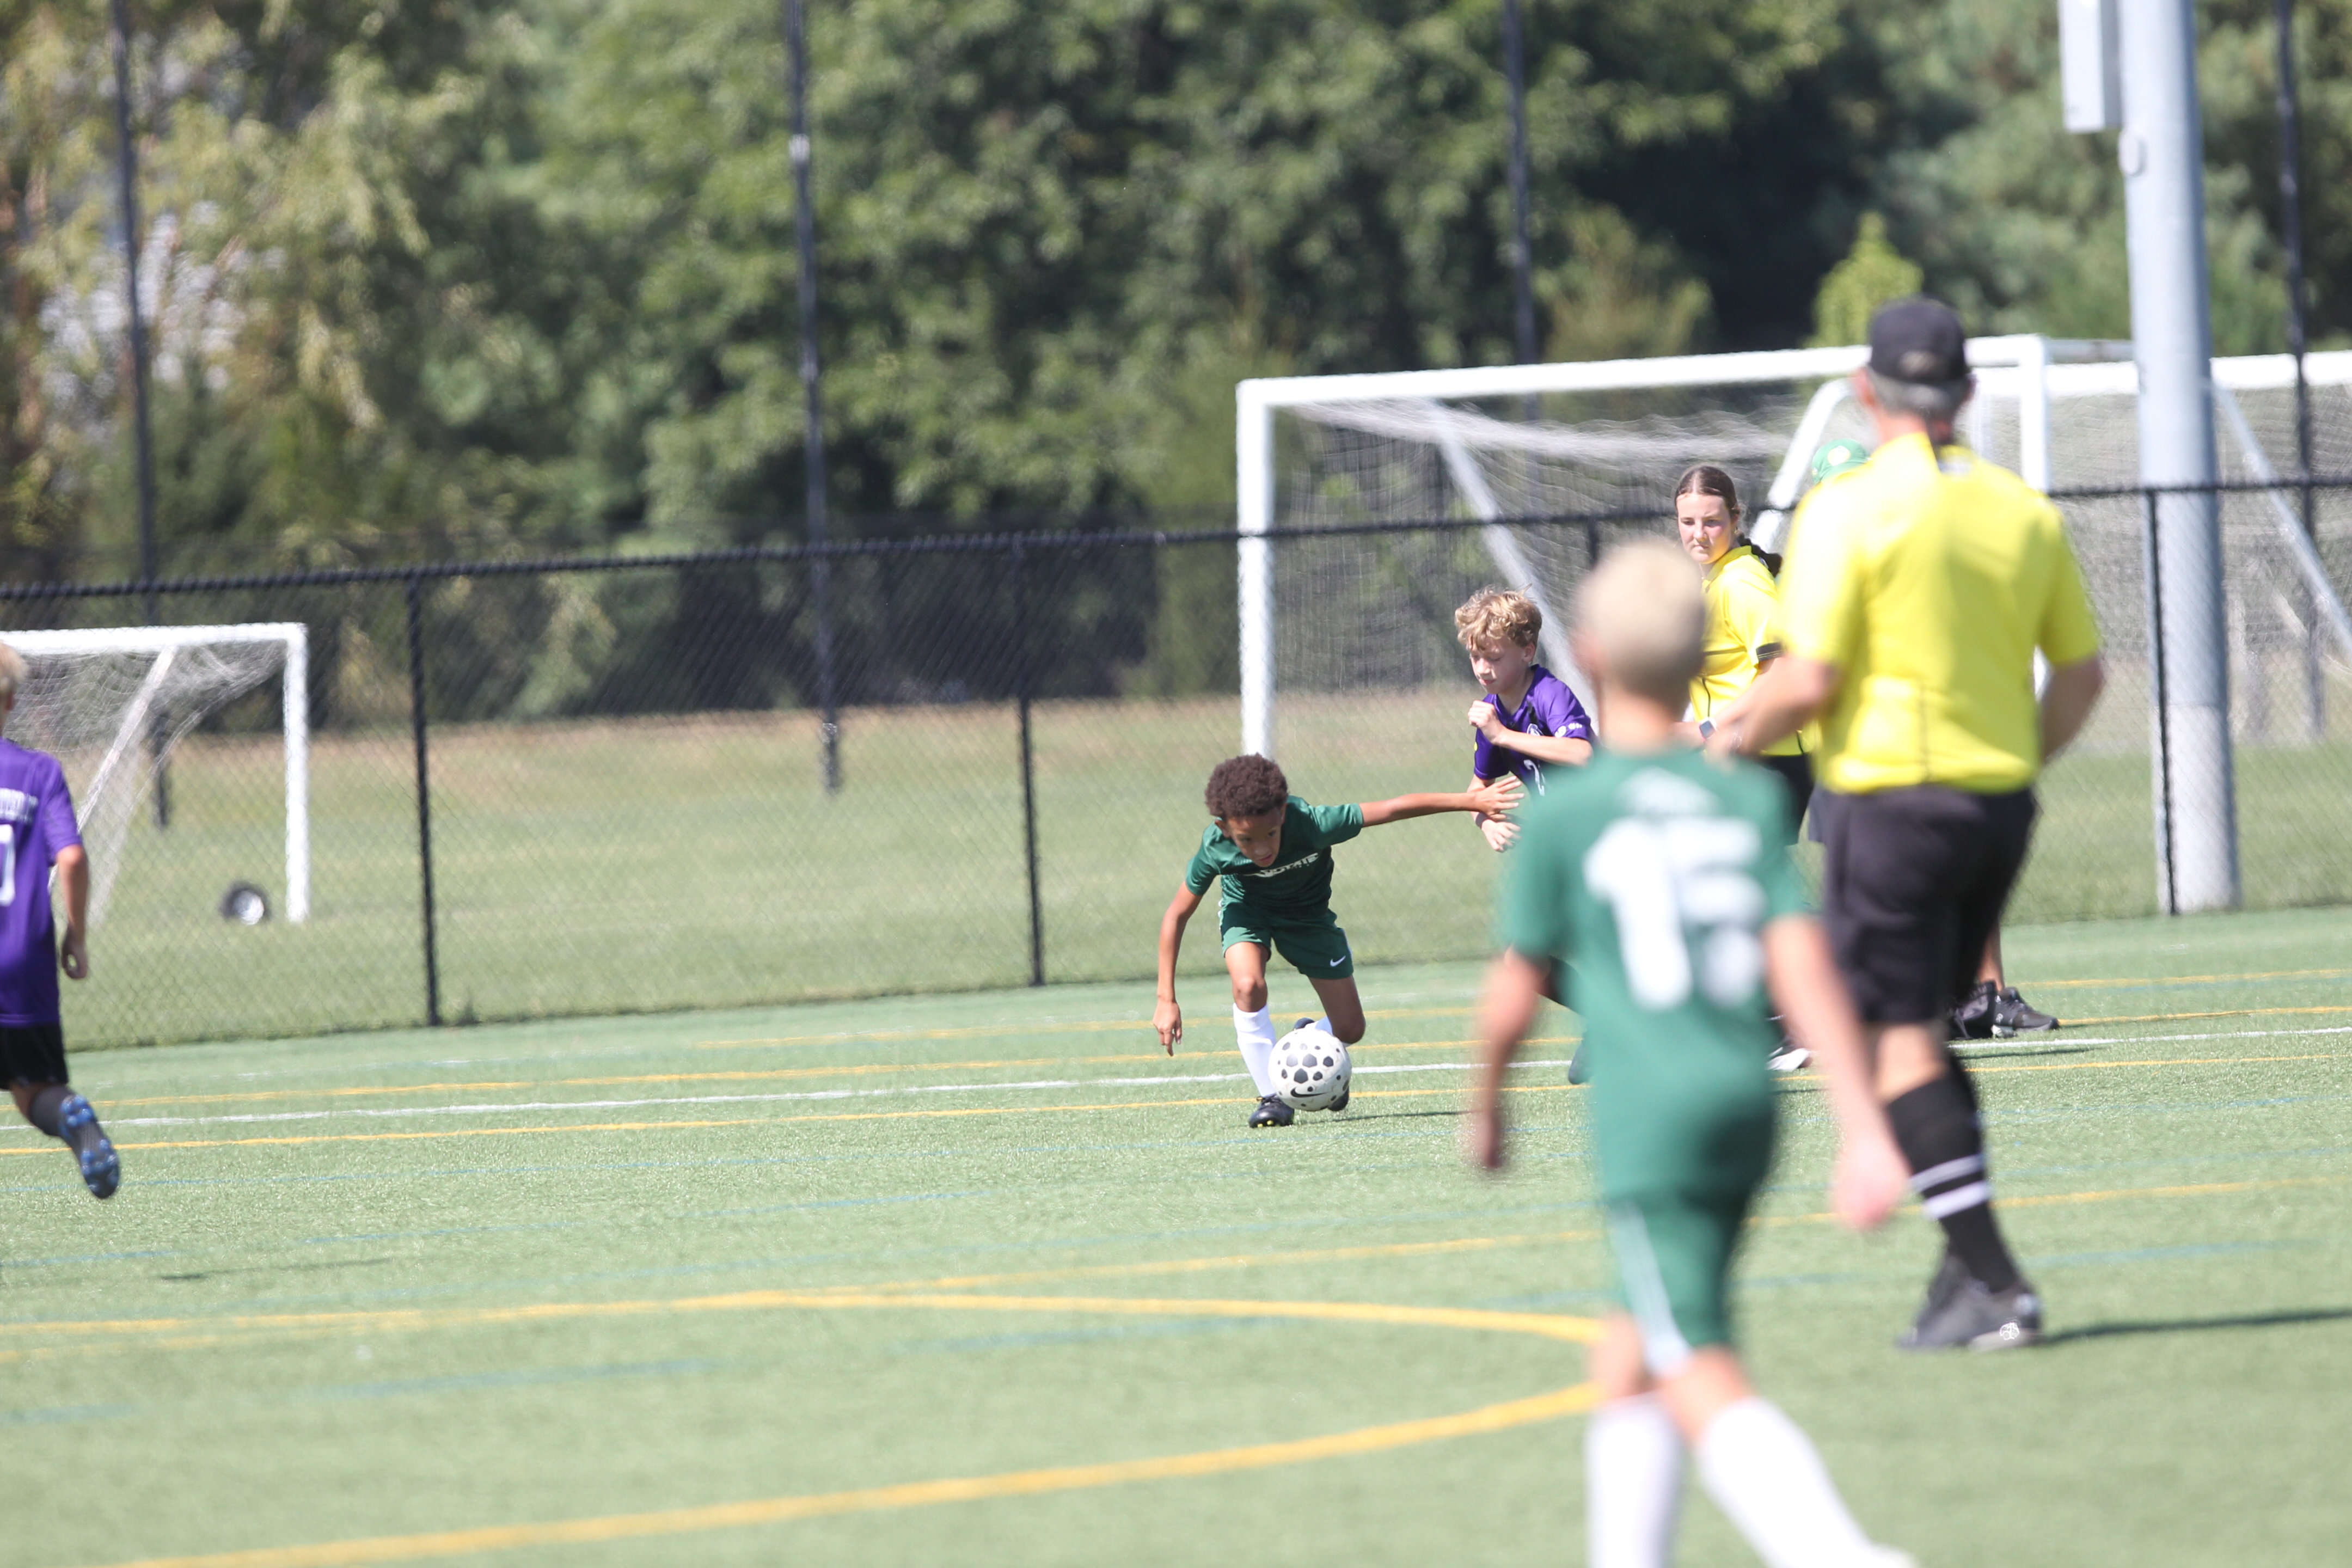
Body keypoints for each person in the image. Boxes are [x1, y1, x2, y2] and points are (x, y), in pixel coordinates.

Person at [1466, 538, 1915, 1568]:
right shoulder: (1738, 797)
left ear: (1587, 655)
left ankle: (1838, 1553)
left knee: (1695, 1358)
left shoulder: (1574, 813)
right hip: (1744, 1105)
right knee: (1631, 1348)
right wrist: (1862, 1127)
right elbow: (1801, 965)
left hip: (1653, 1117)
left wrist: (1486, 1107)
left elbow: (1511, 991)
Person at [1712, 296, 2106, 1350]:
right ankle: (1960, 1272)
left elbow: (1810, 679)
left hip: (1892, 807)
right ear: (1968, 393)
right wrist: (2014, 762)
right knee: (1921, 1035)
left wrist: (1723, 750)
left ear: (1865, 390)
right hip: (1999, 808)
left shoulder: (1844, 511)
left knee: (1891, 1043)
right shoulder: (2023, 511)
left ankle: (1996, 1286)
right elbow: (2082, 679)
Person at [1804, 442, 2065, 1044]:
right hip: (1851, 764)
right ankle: (1904, 1009)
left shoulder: (1904, 552)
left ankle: (1987, 996)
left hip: (1919, 754)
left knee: (1962, 881)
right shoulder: (1818, 564)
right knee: (1872, 902)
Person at [1154, 754, 1520, 1128]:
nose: (1261, 849)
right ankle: (1272, 1097)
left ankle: (1308, 1037)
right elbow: (1176, 916)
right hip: (1248, 912)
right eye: (1247, 840)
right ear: (1225, 828)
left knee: (1350, 1030)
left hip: (1308, 918)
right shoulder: (1216, 846)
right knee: (1248, 985)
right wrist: (1167, 999)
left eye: (1270, 835)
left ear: (1282, 814)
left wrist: (1470, 800)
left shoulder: (1313, 824)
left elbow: (1393, 808)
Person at [0, 641, 119, 1199]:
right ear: (11, 701)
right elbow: (70, 857)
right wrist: (77, 935)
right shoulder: (39, 772)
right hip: (24, 960)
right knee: (35, 1089)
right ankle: (70, 1115)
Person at [1454, 587, 1594, 855]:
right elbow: (1477, 789)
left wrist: (1502, 735)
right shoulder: (1491, 713)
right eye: (1475, 656)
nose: (1482, 669)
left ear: (1527, 653)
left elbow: (1582, 753)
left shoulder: (1548, 693)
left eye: (1494, 658)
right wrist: (1487, 823)